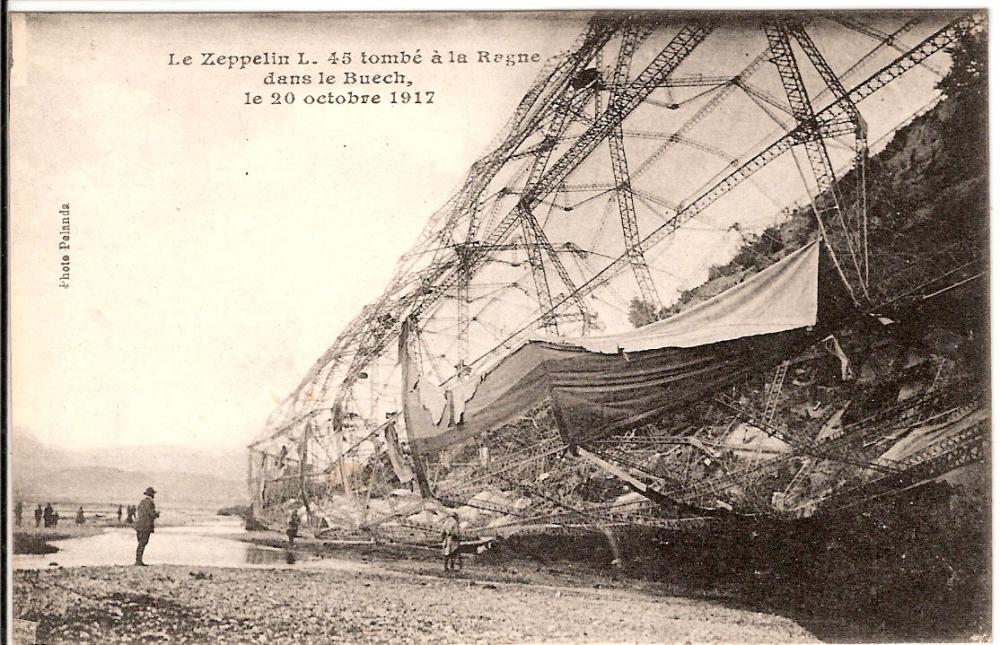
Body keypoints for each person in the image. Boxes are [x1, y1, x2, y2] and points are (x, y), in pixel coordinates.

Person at [134, 487, 160, 566]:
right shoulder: (150, 503)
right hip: (146, 526)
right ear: (151, 494)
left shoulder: (142, 502)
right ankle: (139, 561)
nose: (154, 496)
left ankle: (138, 560)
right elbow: (151, 514)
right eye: (153, 494)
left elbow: (139, 512)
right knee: (143, 543)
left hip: (139, 525)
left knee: (140, 543)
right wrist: (157, 514)